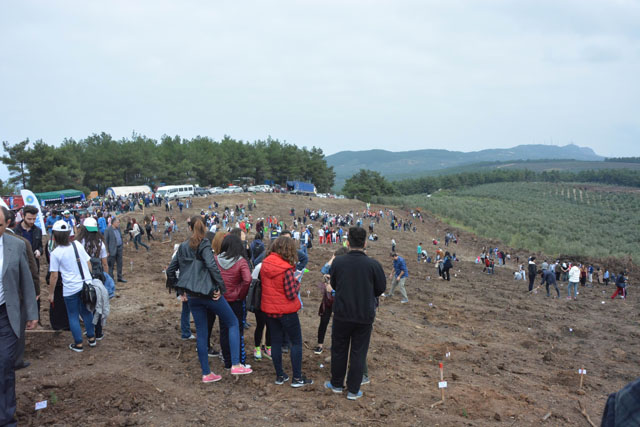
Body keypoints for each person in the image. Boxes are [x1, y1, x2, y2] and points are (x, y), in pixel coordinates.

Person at [166, 216, 252, 383]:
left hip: (192, 296)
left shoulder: (183, 247)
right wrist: (220, 287)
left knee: (202, 332)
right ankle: (235, 364)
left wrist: (180, 289)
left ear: (190, 228)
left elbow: (171, 270)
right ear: (205, 227)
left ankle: (206, 373)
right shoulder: (205, 244)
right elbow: (212, 266)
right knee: (233, 322)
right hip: (209, 293)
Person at [325, 226, 386, 400]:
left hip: (342, 313)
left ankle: (336, 384)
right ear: (365, 243)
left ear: (348, 242)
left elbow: (334, 284)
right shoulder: (374, 265)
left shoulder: (339, 262)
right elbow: (380, 288)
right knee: (359, 352)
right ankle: (353, 390)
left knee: (339, 349)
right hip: (364, 315)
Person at [0, 206, 39, 427]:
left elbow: (27, 279)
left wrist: (32, 313)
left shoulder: (16, 246)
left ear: (7, 224)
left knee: (4, 363)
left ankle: (5, 418)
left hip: (6, 313)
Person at [260, 236, 312, 388]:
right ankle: (297, 378)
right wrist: (297, 283)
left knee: (275, 341)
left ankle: (280, 375)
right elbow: (290, 293)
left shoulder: (266, 263)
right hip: (286, 311)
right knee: (296, 342)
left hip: (270, 310)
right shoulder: (286, 269)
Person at [48, 220, 96, 352]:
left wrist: (51, 293)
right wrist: (89, 278)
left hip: (70, 288)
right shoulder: (77, 245)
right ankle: (92, 338)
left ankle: (78, 344)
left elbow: (54, 276)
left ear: (55, 236)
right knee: (86, 312)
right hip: (85, 284)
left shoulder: (56, 253)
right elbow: (88, 263)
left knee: (73, 315)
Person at [4, 209, 40, 370]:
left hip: (17, 295)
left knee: (16, 329)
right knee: (16, 330)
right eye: (29, 218)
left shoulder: (21, 242)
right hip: (13, 295)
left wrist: (34, 294)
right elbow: (33, 272)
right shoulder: (21, 241)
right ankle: (14, 360)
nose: (32, 221)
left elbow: (30, 272)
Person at [215, 234, 252, 369]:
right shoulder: (241, 261)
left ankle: (228, 361)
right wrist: (240, 293)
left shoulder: (216, 259)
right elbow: (247, 279)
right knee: (237, 330)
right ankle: (239, 362)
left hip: (220, 300)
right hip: (236, 301)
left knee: (224, 330)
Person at [314, 247, 349, 355]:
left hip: (339, 299)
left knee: (337, 323)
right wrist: (332, 257)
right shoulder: (333, 266)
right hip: (328, 298)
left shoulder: (347, 270)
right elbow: (323, 270)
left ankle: (335, 346)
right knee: (324, 321)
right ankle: (320, 345)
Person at [14, 205, 43, 271]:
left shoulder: (38, 230)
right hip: (18, 265)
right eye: (29, 219)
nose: (32, 221)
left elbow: (40, 246)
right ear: (23, 216)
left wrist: (39, 251)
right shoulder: (14, 231)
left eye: (34, 219)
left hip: (33, 264)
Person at [105, 217, 126, 283]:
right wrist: (107, 251)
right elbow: (106, 241)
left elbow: (120, 237)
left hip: (119, 248)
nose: (119, 224)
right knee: (111, 265)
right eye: (117, 222)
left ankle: (119, 277)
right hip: (112, 250)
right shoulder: (108, 230)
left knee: (120, 263)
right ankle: (111, 279)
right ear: (113, 223)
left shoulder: (118, 229)